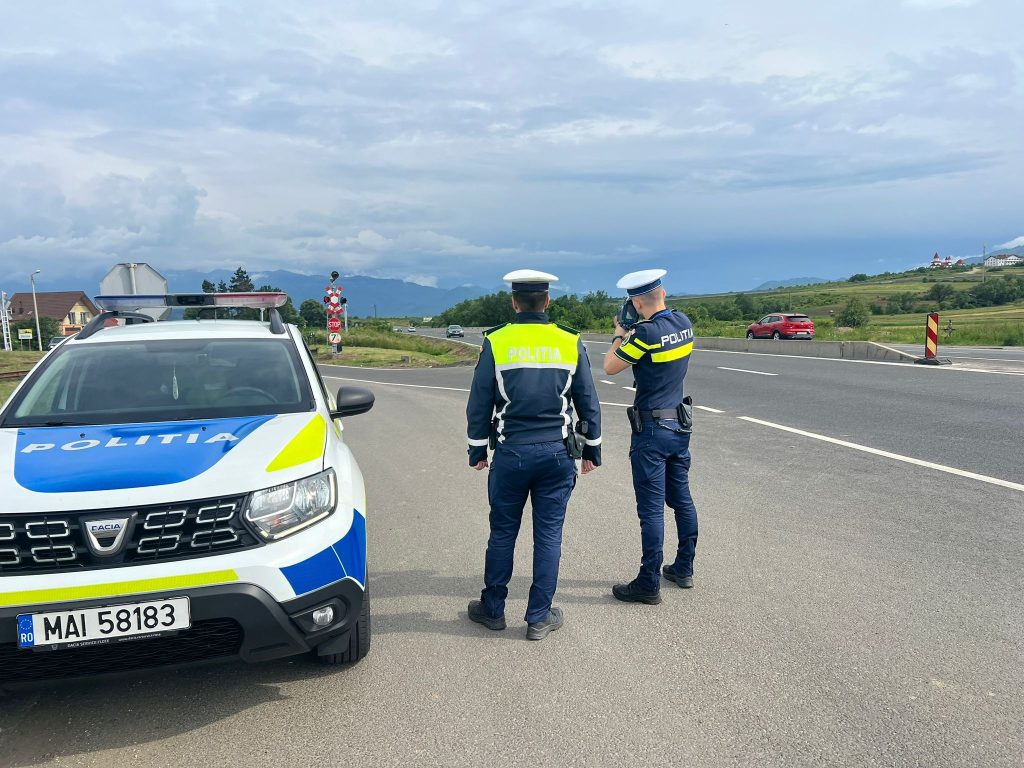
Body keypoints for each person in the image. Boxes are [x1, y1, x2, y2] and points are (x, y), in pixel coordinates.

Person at [466, 269, 602, 640]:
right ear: (547, 301)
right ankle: (539, 617)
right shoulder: (569, 340)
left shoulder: (497, 340)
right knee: (549, 536)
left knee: (502, 533)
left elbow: (480, 401)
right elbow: (587, 400)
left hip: (511, 453)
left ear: (514, 302)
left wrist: (477, 449)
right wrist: (592, 449)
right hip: (557, 454)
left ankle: (493, 610)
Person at [603, 269, 698, 604]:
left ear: (637, 303)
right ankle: (684, 567)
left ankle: (648, 582)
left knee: (652, 510)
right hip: (679, 426)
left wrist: (619, 335)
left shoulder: (644, 334)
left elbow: (610, 367)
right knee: (682, 499)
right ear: (664, 293)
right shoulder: (683, 322)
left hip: (652, 432)